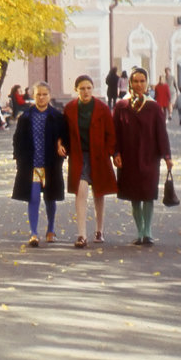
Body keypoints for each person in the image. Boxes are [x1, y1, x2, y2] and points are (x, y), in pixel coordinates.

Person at [112, 68, 172, 246]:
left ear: (147, 83)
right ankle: (139, 232)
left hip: (149, 157)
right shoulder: (121, 106)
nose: (139, 85)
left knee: (148, 193)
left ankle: (148, 232)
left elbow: (161, 133)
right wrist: (115, 153)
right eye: (135, 81)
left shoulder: (153, 107)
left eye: (142, 81)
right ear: (130, 83)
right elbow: (115, 132)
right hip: (128, 158)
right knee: (134, 195)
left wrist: (167, 156)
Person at [11, 82, 69, 247]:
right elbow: (17, 140)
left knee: (50, 198)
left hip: (50, 164)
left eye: (44, 94)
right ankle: (34, 233)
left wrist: (61, 145)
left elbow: (65, 137)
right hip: (32, 165)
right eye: (38, 94)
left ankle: (51, 230)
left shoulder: (57, 116)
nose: (41, 97)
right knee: (34, 197)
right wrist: (19, 160)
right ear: (33, 96)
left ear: (49, 96)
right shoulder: (26, 117)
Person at [64, 75, 117, 249]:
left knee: (99, 193)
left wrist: (109, 152)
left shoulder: (102, 108)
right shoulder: (70, 108)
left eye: (88, 88)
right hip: (80, 157)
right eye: (82, 88)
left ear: (92, 89)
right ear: (76, 90)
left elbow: (111, 133)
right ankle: (81, 235)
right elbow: (64, 132)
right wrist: (60, 144)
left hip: (99, 156)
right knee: (81, 192)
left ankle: (99, 230)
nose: (85, 91)